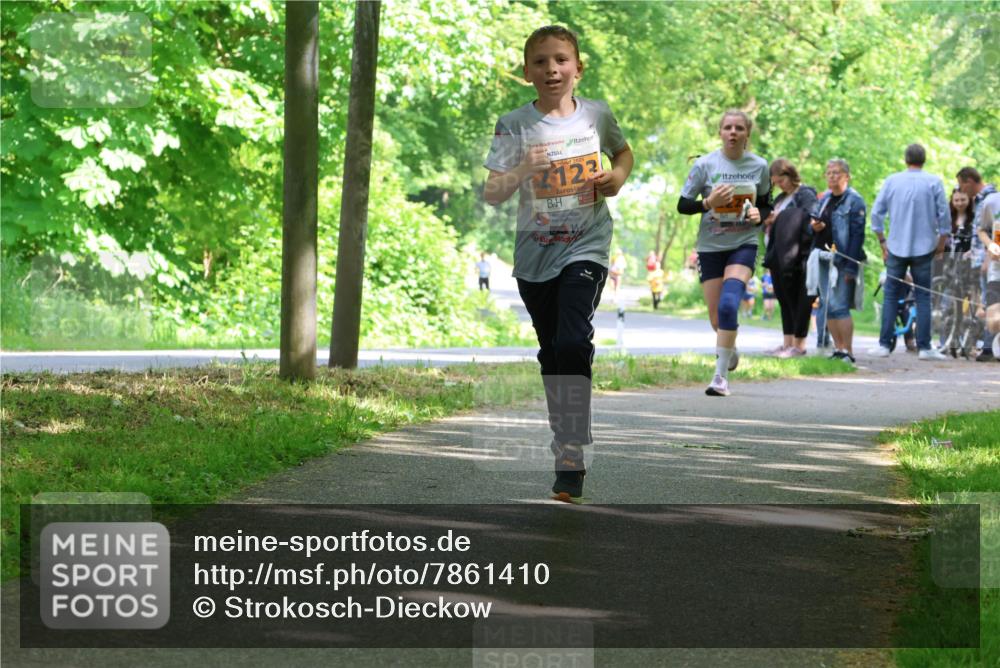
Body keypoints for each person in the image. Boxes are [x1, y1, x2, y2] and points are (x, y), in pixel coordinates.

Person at [483, 25, 633, 502]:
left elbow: (623, 152)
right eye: (542, 61)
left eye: (562, 59)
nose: (553, 68)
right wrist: (523, 169)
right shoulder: (513, 123)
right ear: (527, 72)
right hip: (534, 255)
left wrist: (616, 177)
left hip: (585, 245)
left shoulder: (596, 114)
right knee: (553, 353)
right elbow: (492, 193)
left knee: (572, 338)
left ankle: (571, 453)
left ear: (578, 67)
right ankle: (564, 439)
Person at [677, 109, 770, 396]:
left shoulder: (759, 166)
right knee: (717, 319)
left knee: (730, 305)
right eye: (727, 127)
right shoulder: (705, 165)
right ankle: (729, 348)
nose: (733, 132)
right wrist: (708, 202)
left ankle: (719, 378)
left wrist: (759, 214)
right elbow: (683, 205)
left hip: (743, 244)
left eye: (739, 128)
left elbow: (767, 204)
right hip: (710, 247)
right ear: (720, 132)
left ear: (747, 134)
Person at [869, 144, 950, 361]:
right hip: (925, 247)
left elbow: (876, 214)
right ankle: (924, 347)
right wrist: (942, 242)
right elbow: (944, 215)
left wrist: (882, 241)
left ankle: (884, 345)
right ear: (924, 160)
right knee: (923, 296)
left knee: (891, 295)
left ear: (906, 159)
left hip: (896, 245)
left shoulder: (892, 181)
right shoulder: (934, 181)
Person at [809, 158, 866, 364]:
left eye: (837, 173)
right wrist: (814, 226)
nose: (832, 176)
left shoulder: (854, 201)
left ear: (846, 177)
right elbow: (815, 222)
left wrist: (851, 265)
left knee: (840, 305)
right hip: (823, 258)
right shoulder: (824, 198)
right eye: (829, 172)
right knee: (828, 305)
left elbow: (857, 235)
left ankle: (848, 352)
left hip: (843, 260)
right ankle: (838, 348)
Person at [761, 158, 818, 356]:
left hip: (798, 256)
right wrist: (767, 220)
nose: (779, 185)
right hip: (778, 256)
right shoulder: (779, 199)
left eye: (781, 181)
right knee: (784, 299)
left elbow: (810, 218)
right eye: (775, 183)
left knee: (800, 300)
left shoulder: (805, 194)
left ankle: (799, 345)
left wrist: (781, 218)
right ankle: (787, 343)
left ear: (790, 175)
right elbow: (768, 222)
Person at [957, 167, 998, 361]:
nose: (961, 190)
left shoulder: (988, 199)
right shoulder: (986, 200)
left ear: (969, 181)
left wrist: (986, 257)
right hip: (986, 258)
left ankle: (989, 347)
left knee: (990, 304)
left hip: (989, 261)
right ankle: (989, 345)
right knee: (987, 304)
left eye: (961, 185)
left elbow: (988, 231)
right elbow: (983, 231)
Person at [976, 189, 1000, 361]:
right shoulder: (991, 202)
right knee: (994, 322)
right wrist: (991, 244)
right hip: (997, 271)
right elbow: (982, 230)